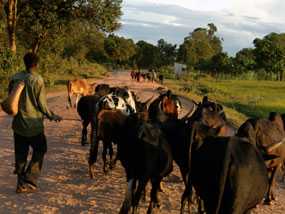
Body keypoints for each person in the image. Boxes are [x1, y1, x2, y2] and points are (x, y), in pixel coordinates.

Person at [8, 52, 62, 193]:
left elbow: (10, 99)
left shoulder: (15, 77)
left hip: (18, 124)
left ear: (24, 62)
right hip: (34, 126)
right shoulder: (37, 79)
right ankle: (30, 179)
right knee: (40, 149)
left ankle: (20, 184)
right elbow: (42, 105)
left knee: (20, 154)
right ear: (36, 64)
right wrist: (52, 116)